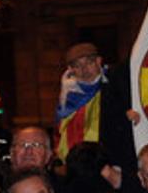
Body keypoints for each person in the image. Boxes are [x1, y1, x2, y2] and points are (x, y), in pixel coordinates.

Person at [55, 42, 138, 184]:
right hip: (79, 167)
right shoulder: (68, 97)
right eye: (77, 65)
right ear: (70, 69)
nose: (84, 69)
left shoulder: (116, 83)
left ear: (99, 61)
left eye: (89, 62)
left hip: (112, 167)